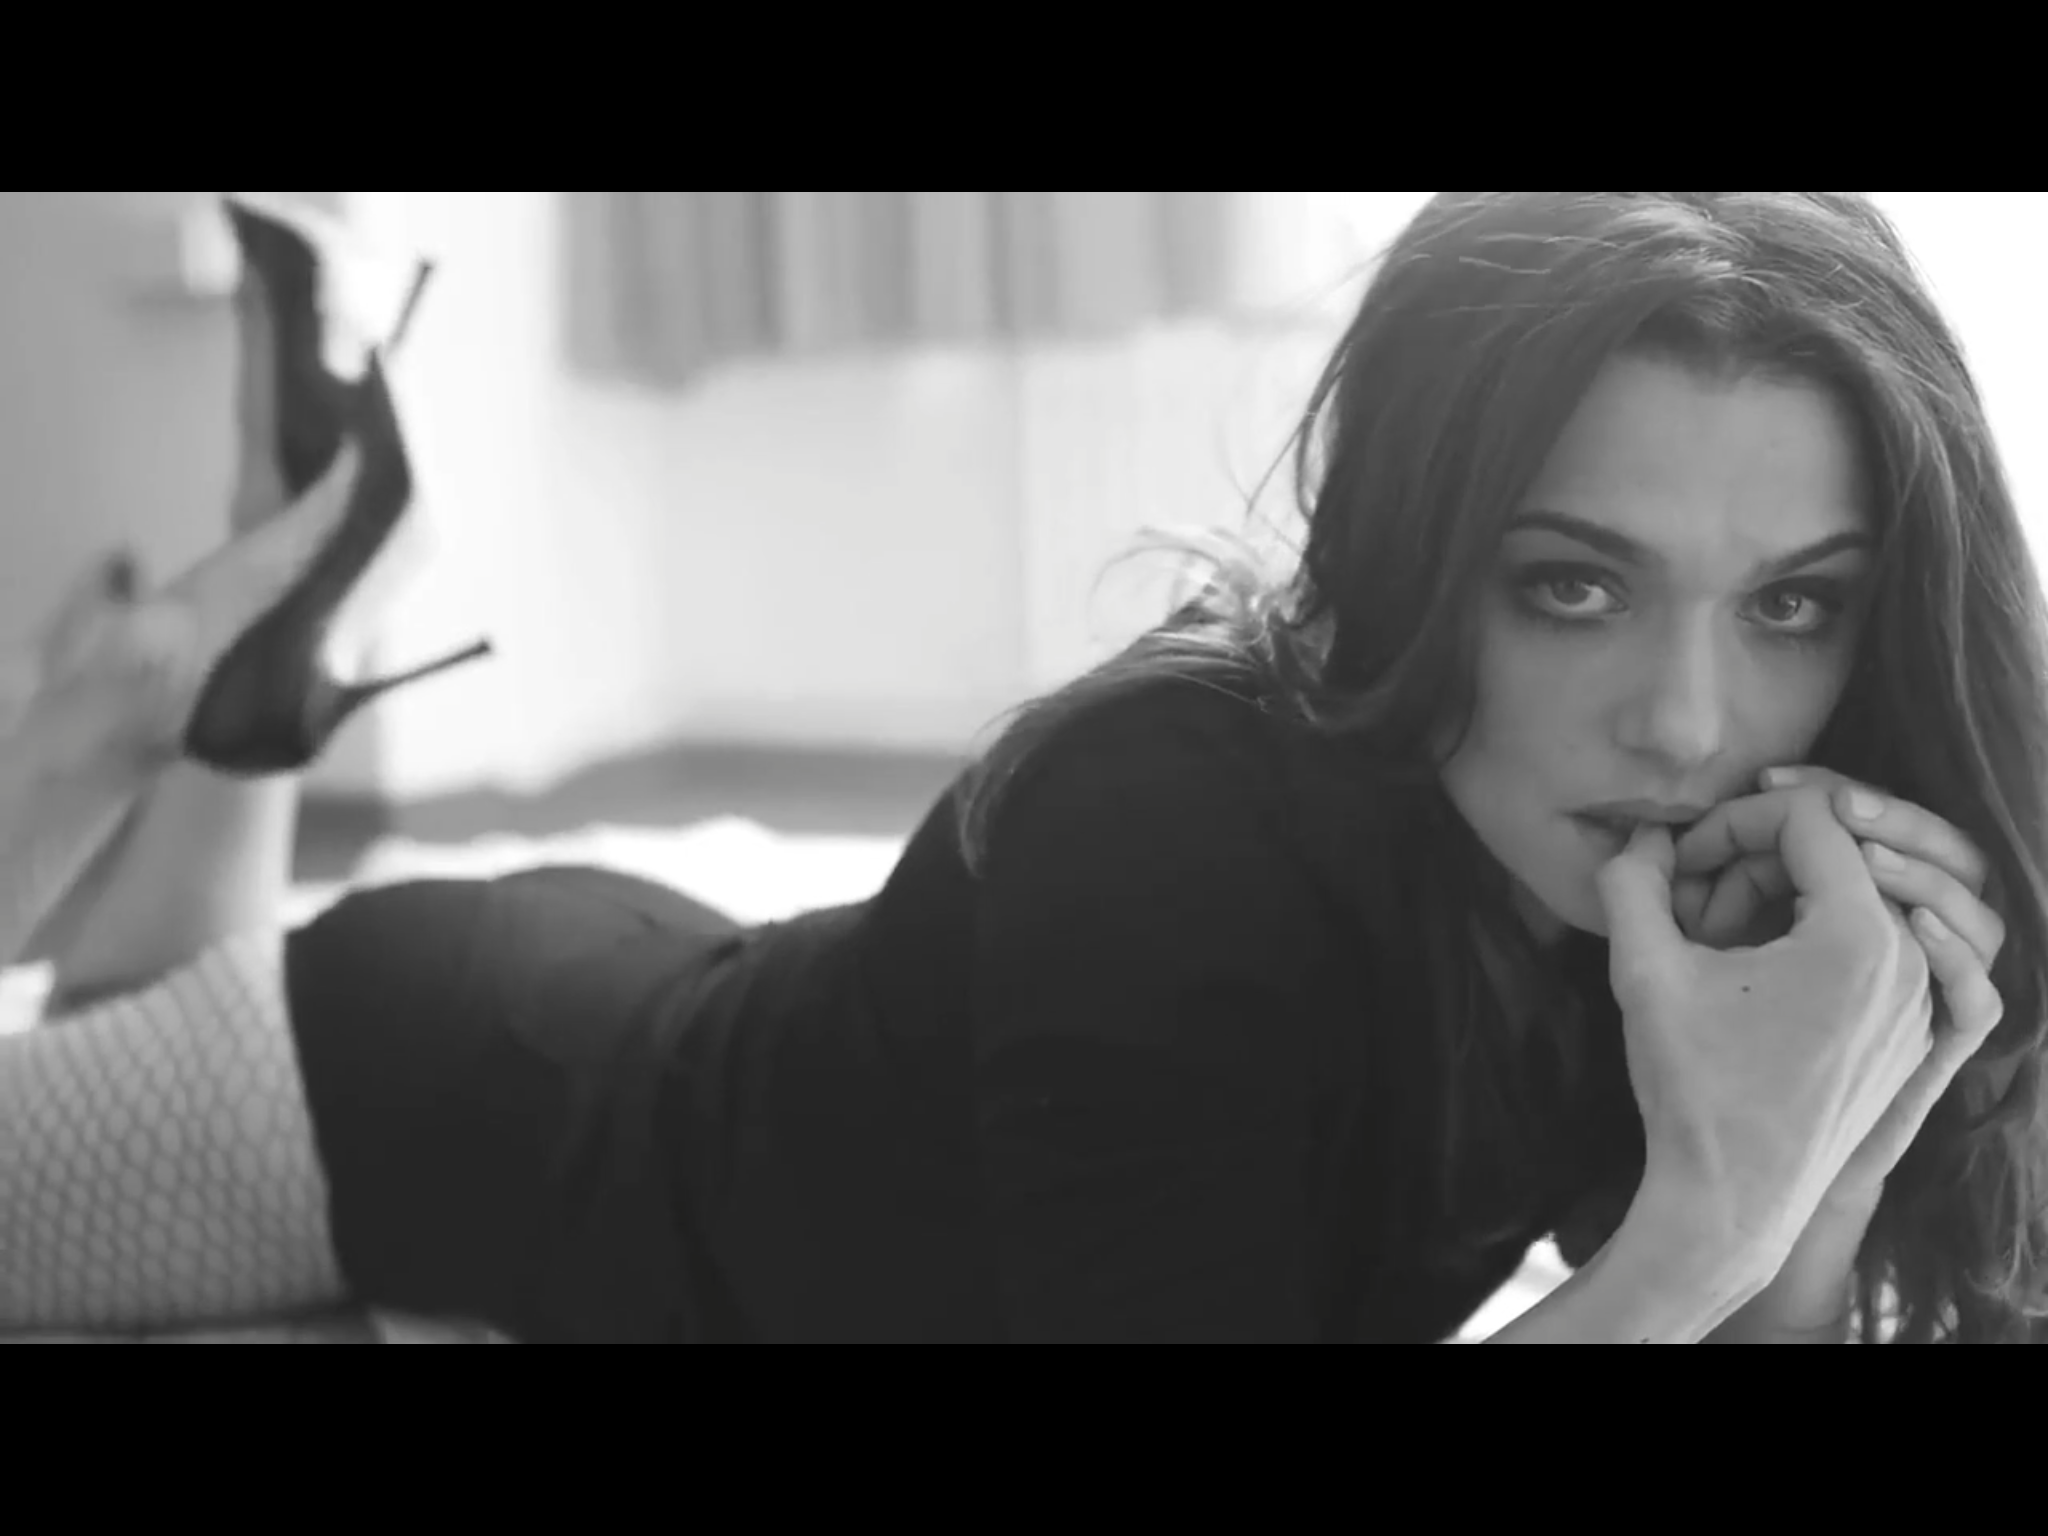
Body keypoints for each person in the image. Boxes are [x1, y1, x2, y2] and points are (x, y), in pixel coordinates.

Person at [2, 190, 2043, 1344]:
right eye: (1572, 588)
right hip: (429, 1099)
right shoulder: (1166, 834)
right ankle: (110, 713)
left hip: (716, 1006)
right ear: (1420, 557)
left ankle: (250, 666)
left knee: (108, 1008)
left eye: (1794, 604)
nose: (1688, 723)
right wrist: (1708, 1215)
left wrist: (1833, 1137)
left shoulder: (1697, 887)